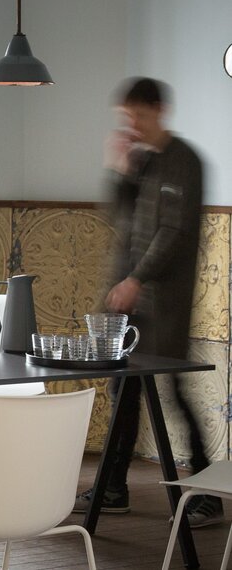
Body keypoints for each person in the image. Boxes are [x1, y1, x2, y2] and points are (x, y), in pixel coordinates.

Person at [72, 78, 220, 526]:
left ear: (158, 111)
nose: (131, 124)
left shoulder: (185, 162)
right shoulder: (145, 162)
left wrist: (137, 279)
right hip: (129, 298)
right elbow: (120, 218)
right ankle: (113, 489)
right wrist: (118, 169)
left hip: (164, 302)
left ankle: (210, 493)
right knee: (123, 389)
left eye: (136, 115)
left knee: (174, 390)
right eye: (126, 118)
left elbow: (173, 233)